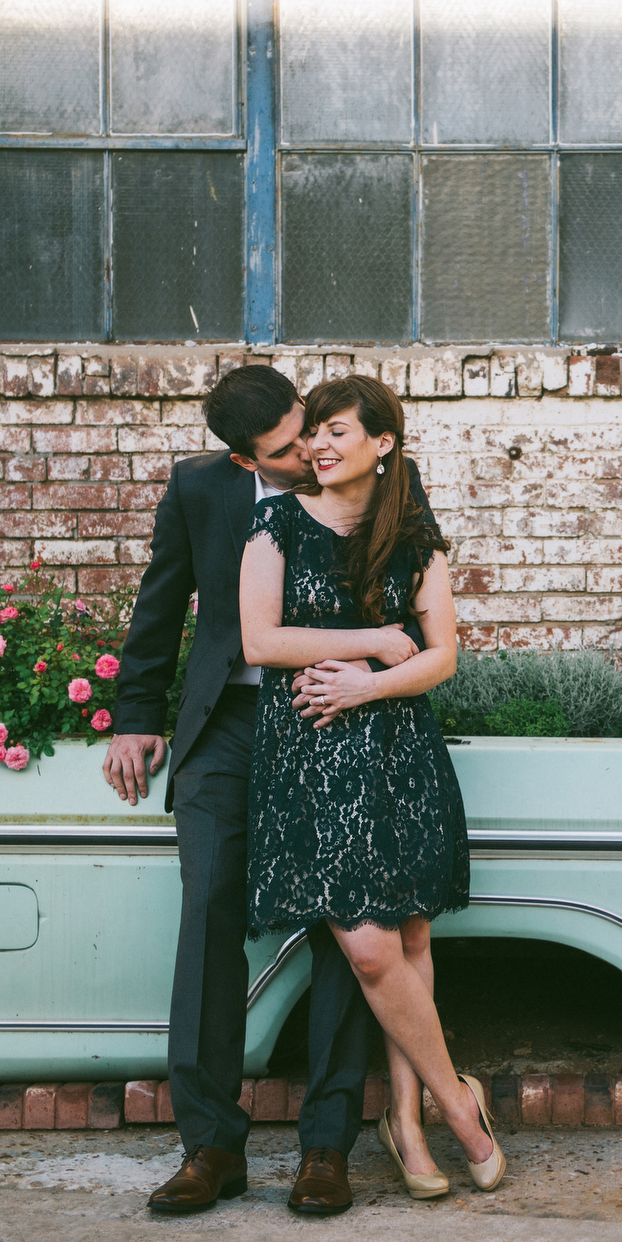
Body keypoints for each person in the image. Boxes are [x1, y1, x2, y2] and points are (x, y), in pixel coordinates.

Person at [107, 365, 433, 1216]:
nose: (308, 450)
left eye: (310, 430)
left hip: (325, 718)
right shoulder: (200, 490)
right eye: (286, 448)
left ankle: (327, 1147)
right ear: (245, 456)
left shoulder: (364, 468)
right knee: (209, 906)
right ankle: (209, 1145)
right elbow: (162, 600)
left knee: (344, 922)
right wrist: (134, 716)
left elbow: (415, 582)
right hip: (229, 726)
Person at [239, 374, 504, 1199]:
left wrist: (368, 684)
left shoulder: (415, 538)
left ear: (383, 443)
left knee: (414, 941)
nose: (318, 445)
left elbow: (444, 656)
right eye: (313, 432)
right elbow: (260, 638)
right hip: (314, 762)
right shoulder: (275, 524)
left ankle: (408, 1124)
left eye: (337, 431)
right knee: (367, 944)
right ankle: (462, 1105)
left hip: (396, 751)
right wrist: (372, 643)